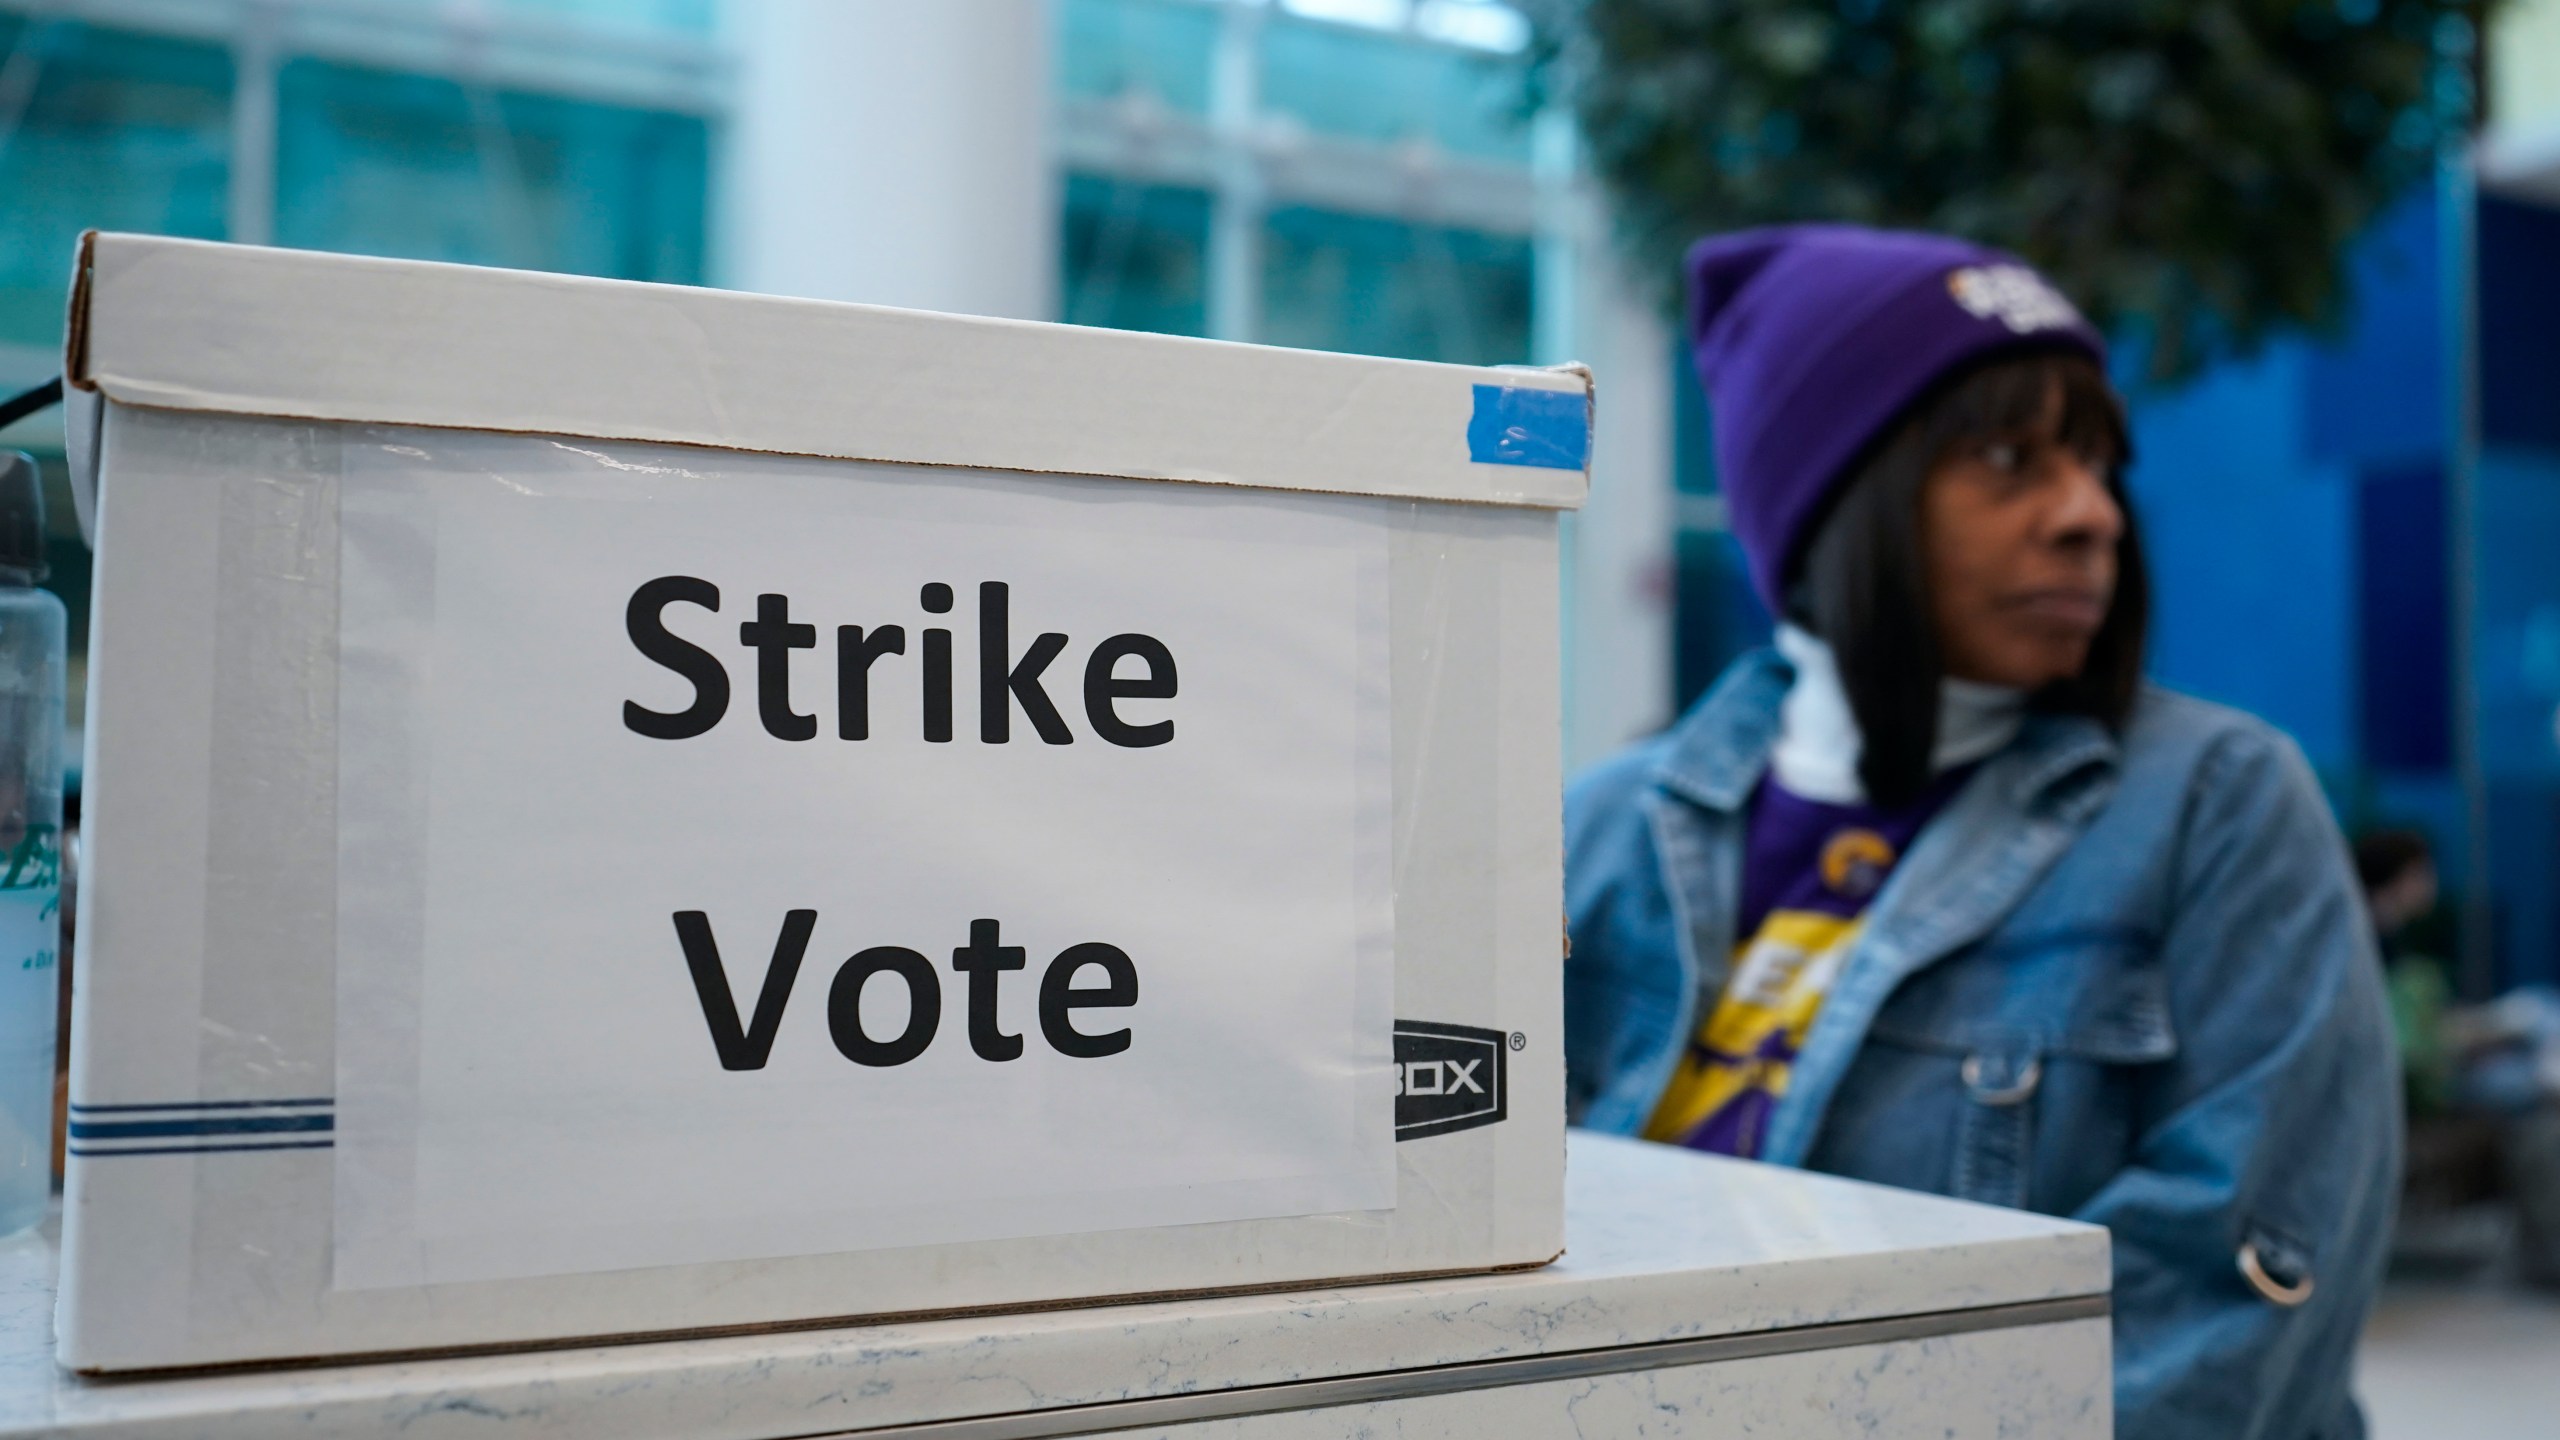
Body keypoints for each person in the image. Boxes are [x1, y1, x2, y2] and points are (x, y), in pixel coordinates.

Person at [1564, 225, 2400, 1439]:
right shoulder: (1598, 834)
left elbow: (2230, 1300)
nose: (2088, 516)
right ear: (1840, 503)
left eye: (2098, 463)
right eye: (2008, 459)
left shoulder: (2214, 805)